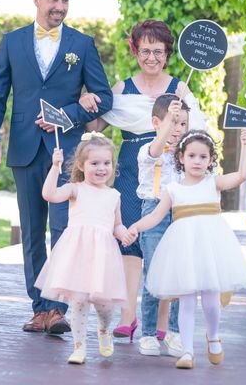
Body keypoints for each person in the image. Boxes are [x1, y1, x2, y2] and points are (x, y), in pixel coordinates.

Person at [0, 0, 113, 334]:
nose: (60, 6)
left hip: (67, 155)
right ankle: (38, 307)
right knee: (32, 232)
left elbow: (104, 97)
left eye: (66, 0)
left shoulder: (82, 44)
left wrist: (70, 113)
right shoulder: (12, 42)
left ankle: (57, 309)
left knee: (63, 230)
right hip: (24, 150)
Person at [79, 19, 204, 340]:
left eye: (158, 52)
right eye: (145, 51)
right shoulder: (122, 89)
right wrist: (86, 102)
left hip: (169, 173)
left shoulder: (180, 88)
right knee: (129, 240)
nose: (151, 58)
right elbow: (96, 127)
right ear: (135, 51)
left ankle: (162, 322)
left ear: (167, 54)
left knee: (165, 244)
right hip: (131, 170)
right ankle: (128, 315)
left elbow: (197, 131)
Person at [126, 129, 246, 369]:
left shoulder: (212, 182)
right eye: (192, 156)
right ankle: (187, 351)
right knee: (186, 301)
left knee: (210, 300)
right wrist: (135, 226)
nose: (197, 161)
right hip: (184, 248)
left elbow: (242, 175)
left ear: (210, 161)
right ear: (181, 158)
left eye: (203, 157)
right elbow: (155, 216)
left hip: (210, 246)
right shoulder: (173, 189)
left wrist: (245, 145)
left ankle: (213, 334)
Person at [35, 132, 131, 364]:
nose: (101, 168)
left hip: (103, 256)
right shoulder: (75, 189)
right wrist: (55, 167)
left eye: (106, 163)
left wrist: (125, 233)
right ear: (81, 164)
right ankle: (79, 347)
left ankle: (104, 329)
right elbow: (49, 194)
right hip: (77, 254)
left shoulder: (114, 195)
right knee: (78, 301)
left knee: (105, 306)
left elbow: (116, 224)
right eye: (95, 163)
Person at [134, 94, 190, 358]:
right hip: (154, 212)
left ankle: (175, 332)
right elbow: (156, 151)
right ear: (156, 122)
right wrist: (169, 121)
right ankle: (147, 335)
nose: (177, 129)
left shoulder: (188, 154)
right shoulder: (148, 150)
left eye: (182, 124)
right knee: (153, 273)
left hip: (182, 214)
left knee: (181, 275)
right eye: (172, 122)